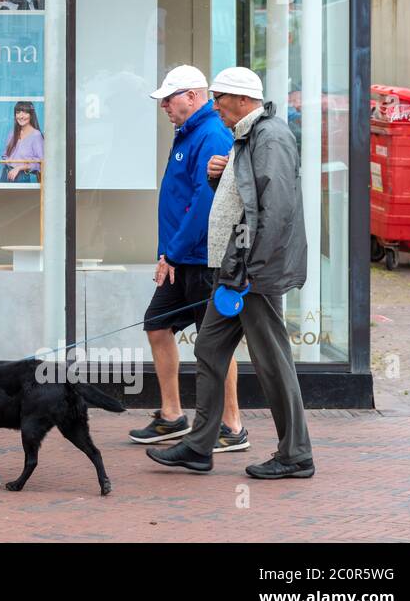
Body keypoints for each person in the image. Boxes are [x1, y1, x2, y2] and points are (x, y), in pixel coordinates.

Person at [148, 67, 314, 479]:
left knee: (272, 361)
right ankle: (199, 446)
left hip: (252, 275)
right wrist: (218, 175)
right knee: (208, 348)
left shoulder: (270, 136)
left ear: (242, 100)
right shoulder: (248, 135)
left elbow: (276, 212)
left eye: (219, 98)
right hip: (234, 269)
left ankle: (295, 454)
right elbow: (249, 196)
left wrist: (250, 271)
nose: (215, 106)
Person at [128, 65, 248, 453]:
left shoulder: (210, 133)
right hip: (180, 258)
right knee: (157, 325)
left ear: (193, 97)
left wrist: (173, 253)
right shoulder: (188, 133)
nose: (164, 105)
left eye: (170, 97)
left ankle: (232, 426)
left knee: (214, 343)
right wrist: (168, 253)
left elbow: (205, 202)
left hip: (200, 259)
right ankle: (172, 415)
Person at [0, 101, 43, 183]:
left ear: (31, 115)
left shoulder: (36, 135)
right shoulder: (12, 133)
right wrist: (6, 162)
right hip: (6, 174)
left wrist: (19, 168)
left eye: (25, 112)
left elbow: (40, 162)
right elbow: (4, 155)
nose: (21, 116)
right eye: (18, 112)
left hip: (22, 175)